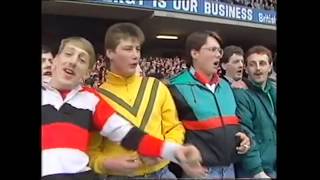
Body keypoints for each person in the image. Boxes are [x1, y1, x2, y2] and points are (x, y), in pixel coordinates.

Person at [42, 36, 202, 180]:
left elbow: (127, 133)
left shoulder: (92, 99)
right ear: (54, 60)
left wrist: (174, 151)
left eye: (82, 60)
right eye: (68, 54)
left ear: (88, 72)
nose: (73, 61)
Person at [88, 22, 189, 179]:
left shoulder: (156, 87)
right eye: (128, 49)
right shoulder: (96, 98)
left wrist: (164, 150)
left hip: (162, 173)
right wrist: (107, 164)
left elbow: (174, 127)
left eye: (138, 49)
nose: (135, 55)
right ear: (110, 53)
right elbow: (91, 151)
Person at [168, 31, 251, 179]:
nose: (219, 54)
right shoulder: (174, 87)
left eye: (219, 50)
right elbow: (169, 131)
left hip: (230, 170)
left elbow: (236, 122)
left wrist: (246, 137)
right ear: (195, 53)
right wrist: (183, 162)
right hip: (200, 172)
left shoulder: (226, 86)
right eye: (212, 50)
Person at [233, 45, 276, 179]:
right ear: (246, 68)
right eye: (252, 64)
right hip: (254, 171)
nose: (258, 68)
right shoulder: (241, 95)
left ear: (270, 67)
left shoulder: (273, 91)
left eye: (262, 63)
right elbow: (245, 131)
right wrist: (257, 171)